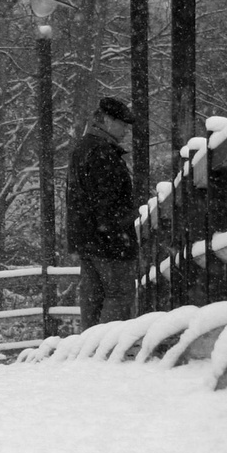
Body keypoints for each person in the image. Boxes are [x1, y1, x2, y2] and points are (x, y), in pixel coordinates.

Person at [66, 96, 138, 327]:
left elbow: (79, 199)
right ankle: (108, 353)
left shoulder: (83, 149)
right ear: (106, 121)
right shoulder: (103, 153)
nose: (126, 130)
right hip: (110, 242)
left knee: (92, 297)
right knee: (119, 295)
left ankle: (91, 352)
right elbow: (106, 203)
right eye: (122, 124)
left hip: (87, 240)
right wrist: (126, 220)